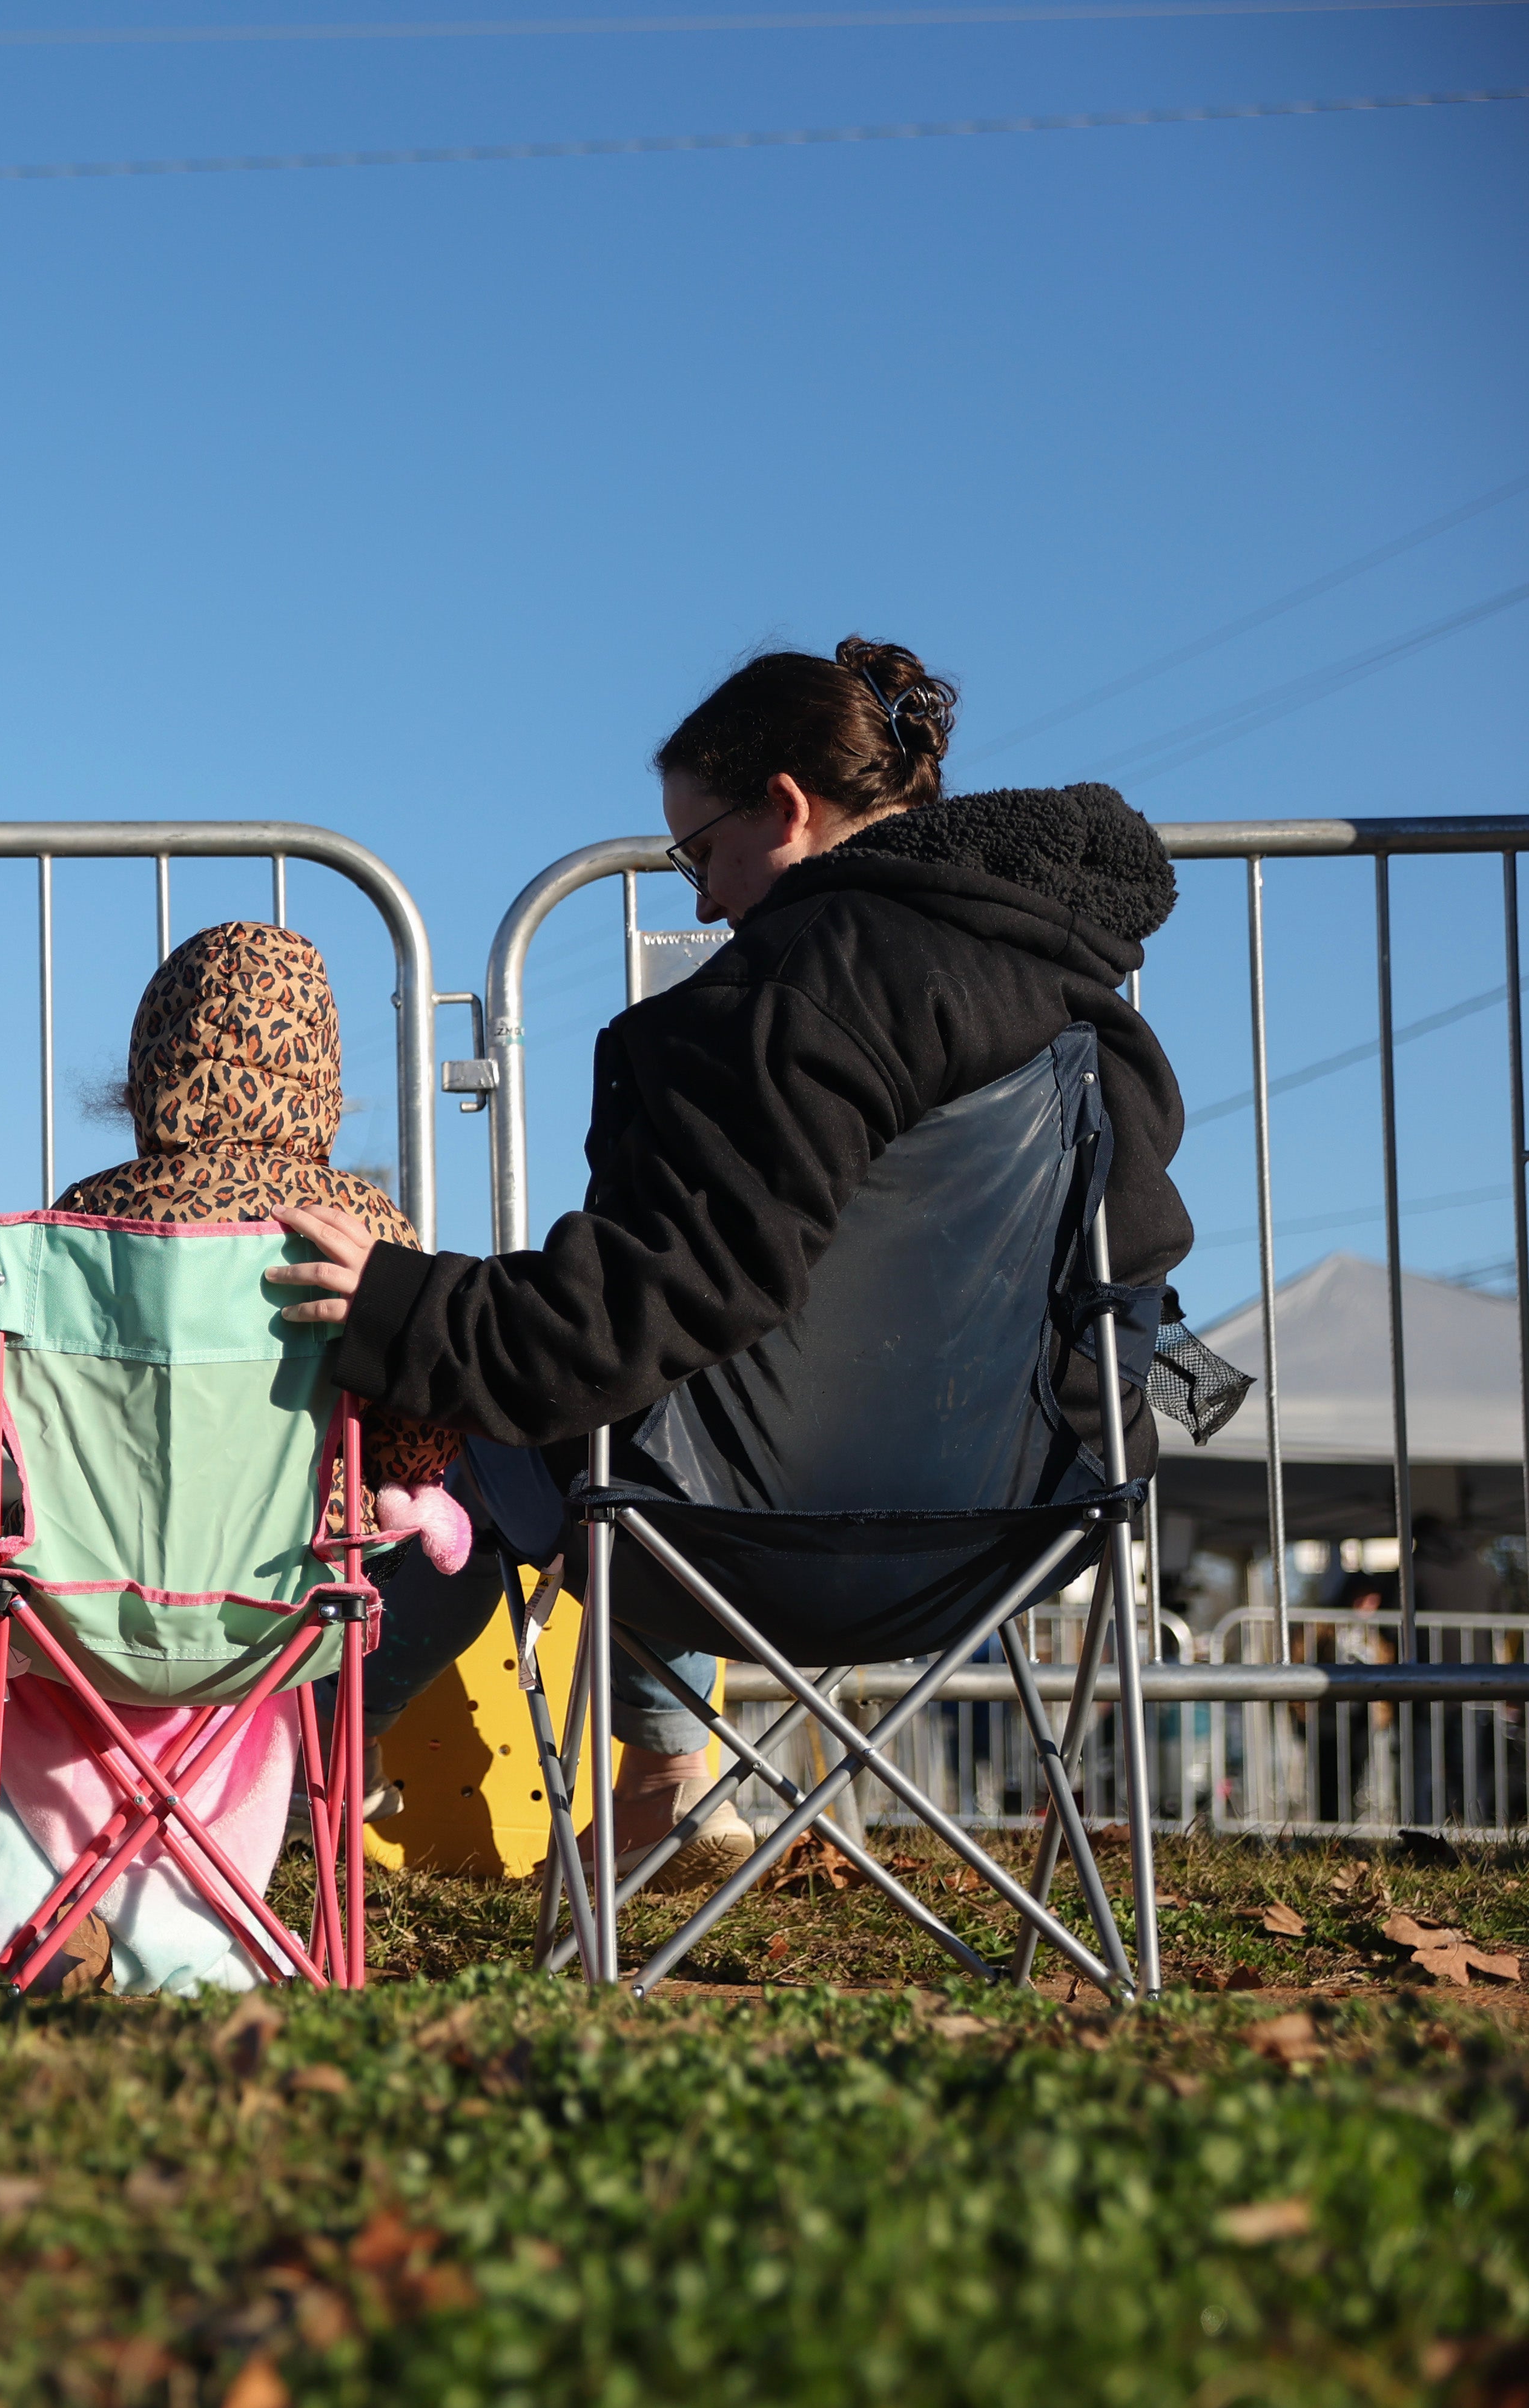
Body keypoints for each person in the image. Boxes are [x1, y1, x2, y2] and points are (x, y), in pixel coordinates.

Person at [274, 637, 1191, 1890]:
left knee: (507, 1422)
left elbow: (665, 1293)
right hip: (1024, 1523)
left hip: (748, 1538)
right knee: (627, 1394)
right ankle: (658, 1787)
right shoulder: (1088, 1004)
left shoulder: (785, 993)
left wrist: (405, 1305)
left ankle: (280, 1770)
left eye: (699, 851)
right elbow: (1131, 1281)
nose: (701, 898)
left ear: (789, 806)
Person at [0, 923, 463, 1994]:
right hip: (271, 1608)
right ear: (322, 1071)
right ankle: (202, 1933)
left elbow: (34, 1445)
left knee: (29, 1624)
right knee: (244, 1676)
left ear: (154, 1060)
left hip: (80, 1616)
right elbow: (418, 1433)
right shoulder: (357, 1231)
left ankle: (41, 1914)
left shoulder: (76, 1226)